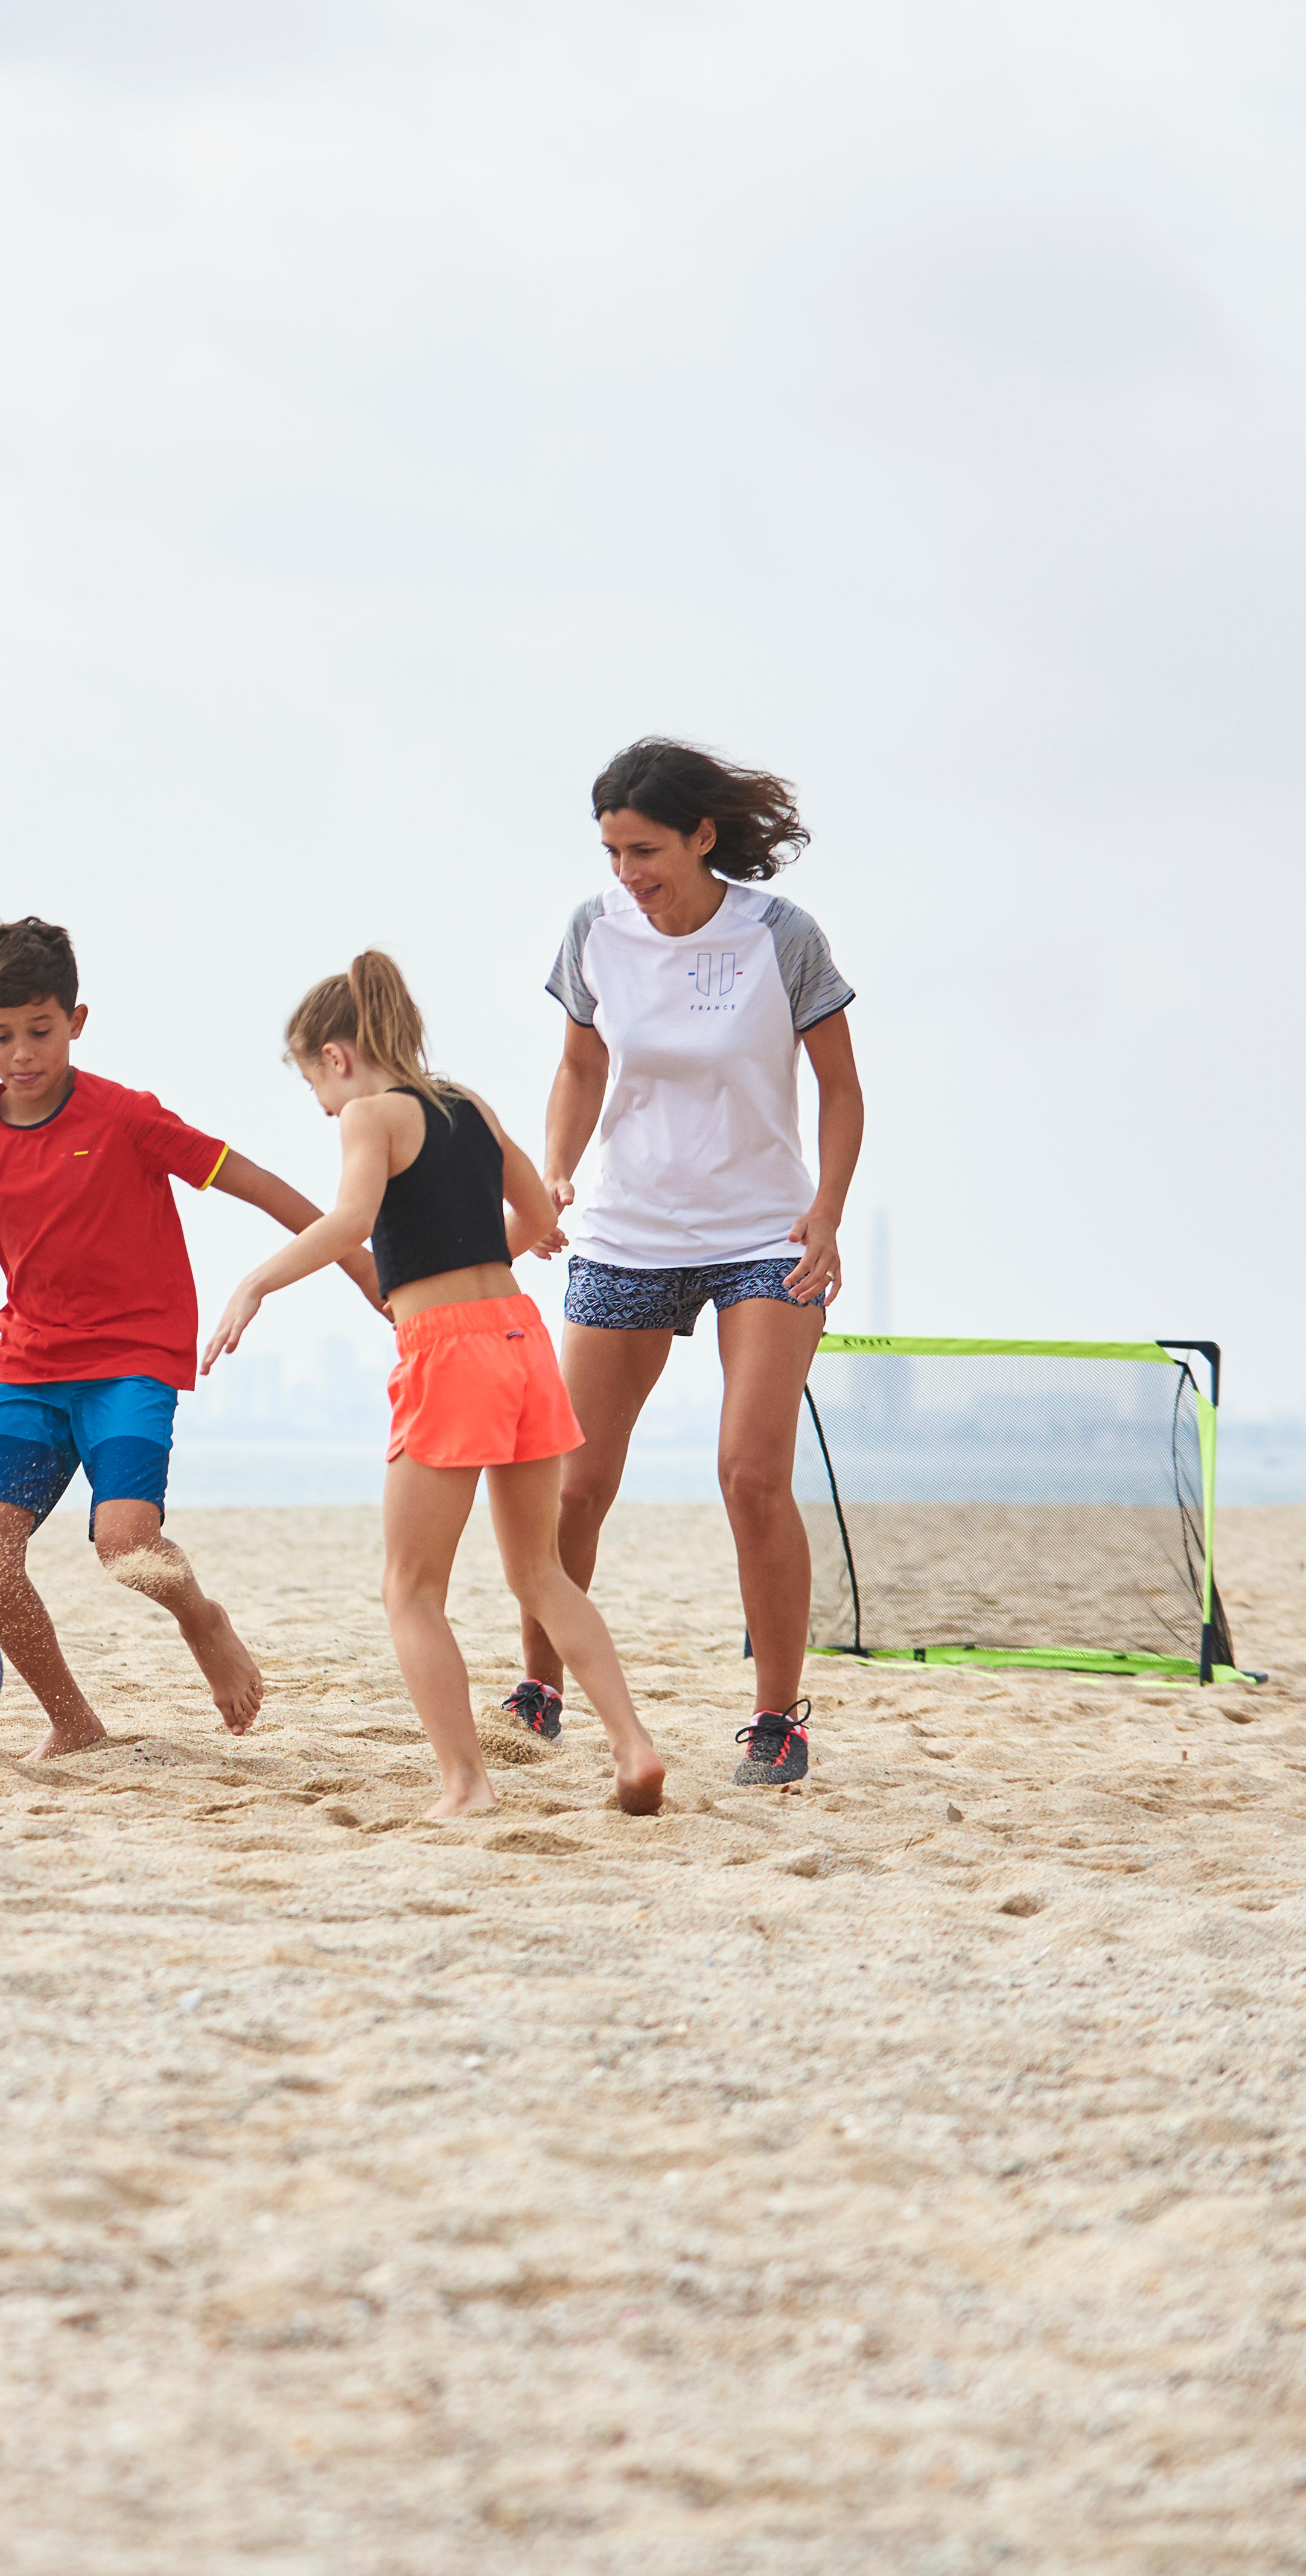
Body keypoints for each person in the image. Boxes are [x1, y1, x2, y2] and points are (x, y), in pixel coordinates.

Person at [0, 917, 374, 1758]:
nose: (21, 1054)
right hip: (28, 1371)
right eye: (2, 1036)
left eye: (40, 1031)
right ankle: (73, 1723)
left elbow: (256, 1183)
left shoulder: (124, 1117)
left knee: (127, 1547)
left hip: (131, 1364)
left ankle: (201, 1618)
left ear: (76, 1021)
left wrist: (362, 1268)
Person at [205, 951, 667, 1820]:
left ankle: (466, 1785)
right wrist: (469, 1250)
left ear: (336, 1056)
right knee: (542, 1575)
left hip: (449, 1352)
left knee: (410, 1590)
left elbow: (350, 1220)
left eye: (314, 1083)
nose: (323, 1105)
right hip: (521, 1339)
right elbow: (539, 1218)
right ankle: (633, 1746)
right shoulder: (471, 1105)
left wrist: (255, 1284)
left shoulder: (370, 1114)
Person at [517, 738, 863, 1789]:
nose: (627, 872)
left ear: (702, 836)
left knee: (751, 1475)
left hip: (764, 1235)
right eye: (613, 852)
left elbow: (841, 1088)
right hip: (628, 1231)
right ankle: (539, 1693)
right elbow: (580, 1066)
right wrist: (556, 1171)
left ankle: (776, 1720)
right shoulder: (594, 930)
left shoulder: (779, 935)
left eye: (645, 850)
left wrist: (827, 1213)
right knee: (575, 1484)